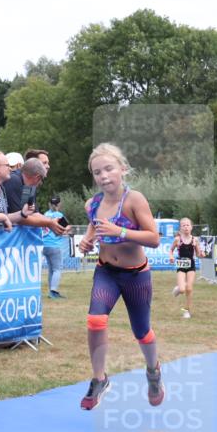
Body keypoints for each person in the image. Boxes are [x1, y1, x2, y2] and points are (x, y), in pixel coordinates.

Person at [78, 143, 163, 410]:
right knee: (95, 320)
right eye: (97, 172)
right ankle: (99, 378)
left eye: (108, 169)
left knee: (142, 332)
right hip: (106, 272)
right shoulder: (91, 204)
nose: (103, 176)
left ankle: (153, 371)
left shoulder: (134, 200)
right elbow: (94, 225)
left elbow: (154, 239)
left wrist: (121, 231)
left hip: (136, 276)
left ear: (122, 169)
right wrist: (87, 241)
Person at [1, 156, 68, 236]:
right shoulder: (13, 180)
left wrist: (53, 221)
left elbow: (33, 213)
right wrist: (49, 223)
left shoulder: (29, 186)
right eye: (42, 179)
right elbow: (19, 218)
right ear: (37, 177)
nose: (40, 183)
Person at [170, 217, 204, 319]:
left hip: (191, 266)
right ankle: (178, 289)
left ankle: (187, 311)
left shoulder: (195, 240)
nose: (186, 227)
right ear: (180, 228)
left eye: (188, 225)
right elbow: (171, 250)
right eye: (183, 225)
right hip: (181, 266)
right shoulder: (177, 239)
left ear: (191, 227)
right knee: (182, 289)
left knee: (189, 288)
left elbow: (198, 254)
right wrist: (171, 256)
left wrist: (201, 254)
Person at [43, 196, 72, 299]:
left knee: (51, 269)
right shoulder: (58, 215)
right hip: (54, 245)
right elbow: (66, 227)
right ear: (59, 204)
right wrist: (67, 230)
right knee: (57, 269)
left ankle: (51, 291)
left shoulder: (45, 214)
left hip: (45, 245)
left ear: (49, 204)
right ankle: (53, 291)